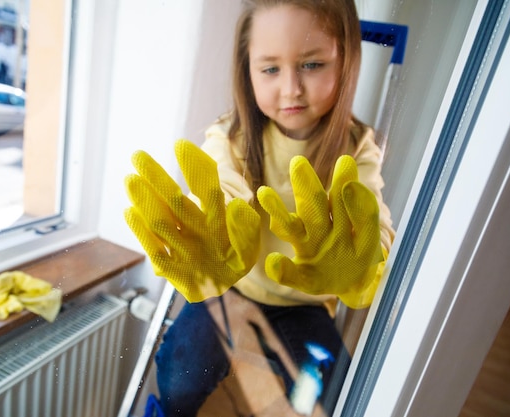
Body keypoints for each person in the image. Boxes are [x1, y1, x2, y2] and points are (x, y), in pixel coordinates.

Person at [124, 0, 395, 415]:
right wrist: (217, 227)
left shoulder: (358, 149)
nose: (291, 89)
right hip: (233, 289)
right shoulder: (230, 136)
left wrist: (362, 261)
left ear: (346, 63)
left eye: (312, 65)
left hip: (303, 305)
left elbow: (373, 216)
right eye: (270, 69)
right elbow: (221, 186)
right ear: (246, 70)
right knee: (179, 375)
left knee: (328, 393)